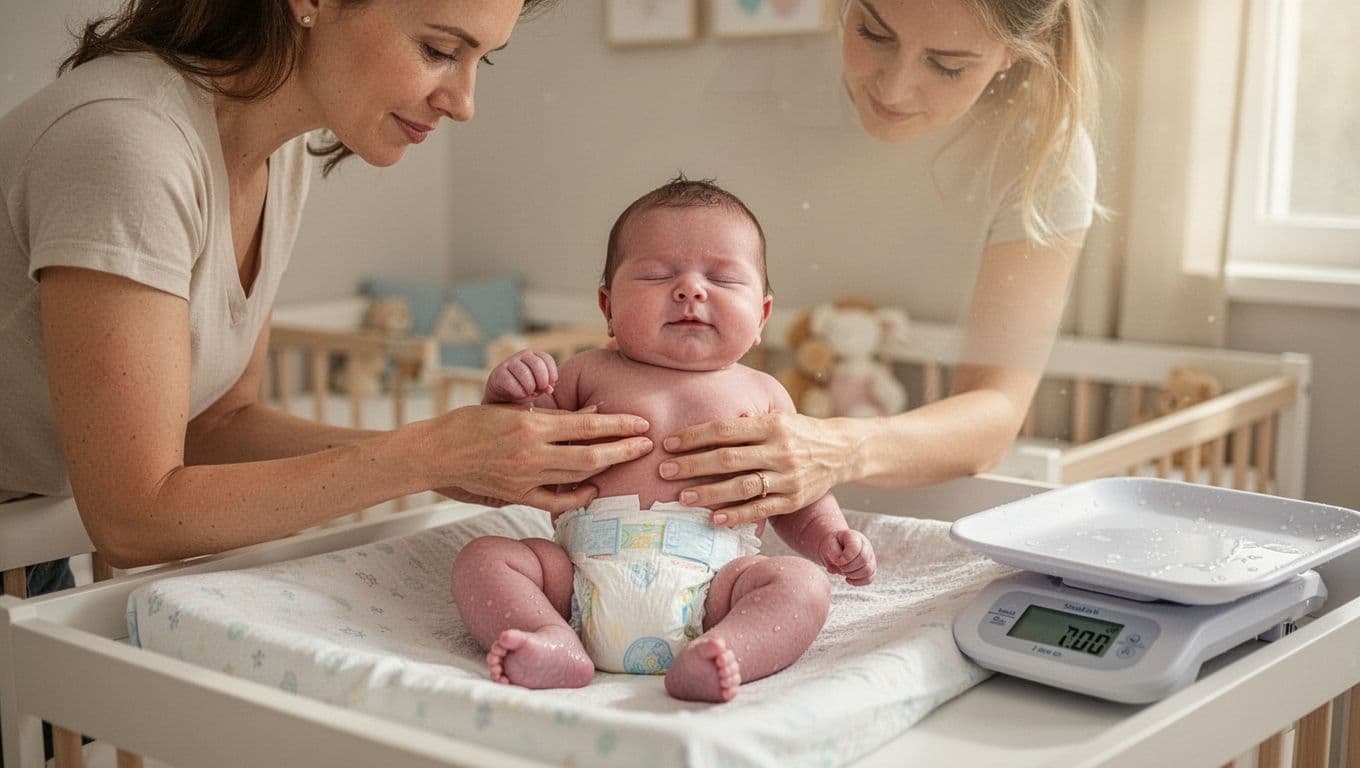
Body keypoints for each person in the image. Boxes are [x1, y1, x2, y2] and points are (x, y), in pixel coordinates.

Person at [0, 0, 656, 589]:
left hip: (30, 543)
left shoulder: (274, 155)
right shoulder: (129, 145)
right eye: (439, 51)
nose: (463, 102)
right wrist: (426, 454)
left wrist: (451, 462)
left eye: (480, 60)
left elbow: (214, 426)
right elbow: (132, 519)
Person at [656, 0, 1102, 527]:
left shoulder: (1043, 153)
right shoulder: (754, 86)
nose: (893, 89)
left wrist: (837, 449)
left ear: (1016, 49)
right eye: (873, 32)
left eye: (947, 65)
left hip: (897, 500)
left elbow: (994, 413)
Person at [450, 176, 878, 703]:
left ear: (763, 316)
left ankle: (723, 652)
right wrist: (508, 398)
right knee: (486, 558)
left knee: (802, 584)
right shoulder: (583, 373)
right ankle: (553, 640)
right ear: (607, 306)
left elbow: (794, 491)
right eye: (657, 275)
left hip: (716, 586)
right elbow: (519, 449)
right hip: (578, 581)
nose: (691, 290)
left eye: (722, 278)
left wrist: (830, 538)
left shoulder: (765, 393)